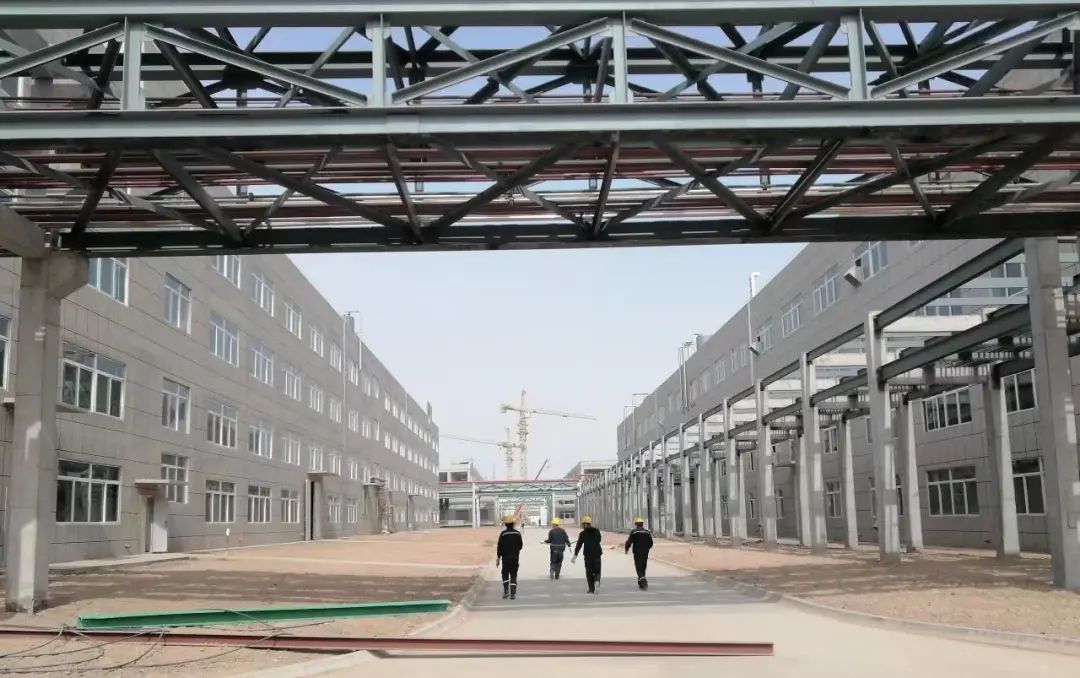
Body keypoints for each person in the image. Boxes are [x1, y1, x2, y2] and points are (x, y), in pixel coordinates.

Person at [571, 516, 603, 594]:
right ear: (589, 523)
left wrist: (575, 555)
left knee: (589, 572)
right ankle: (597, 580)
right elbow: (599, 540)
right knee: (597, 571)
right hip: (597, 554)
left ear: (584, 524)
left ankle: (591, 589)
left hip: (588, 555)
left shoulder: (582, 534)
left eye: (583, 524)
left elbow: (579, 545)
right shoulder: (597, 531)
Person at [496, 514, 524, 600]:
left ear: (506, 524)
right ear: (513, 524)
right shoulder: (517, 533)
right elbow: (520, 546)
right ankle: (513, 594)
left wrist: (498, 557)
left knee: (505, 574)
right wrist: (515, 551)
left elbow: (499, 547)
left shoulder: (503, 534)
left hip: (505, 559)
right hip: (515, 559)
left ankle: (506, 591)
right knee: (513, 575)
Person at [624, 517, 654, 590]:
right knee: (643, 567)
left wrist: (626, 549)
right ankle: (641, 583)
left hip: (637, 552)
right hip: (645, 552)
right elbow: (651, 543)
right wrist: (647, 548)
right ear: (642, 524)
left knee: (638, 567)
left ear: (636, 524)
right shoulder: (647, 532)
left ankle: (643, 581)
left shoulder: (634, 532)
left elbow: (628, 542)